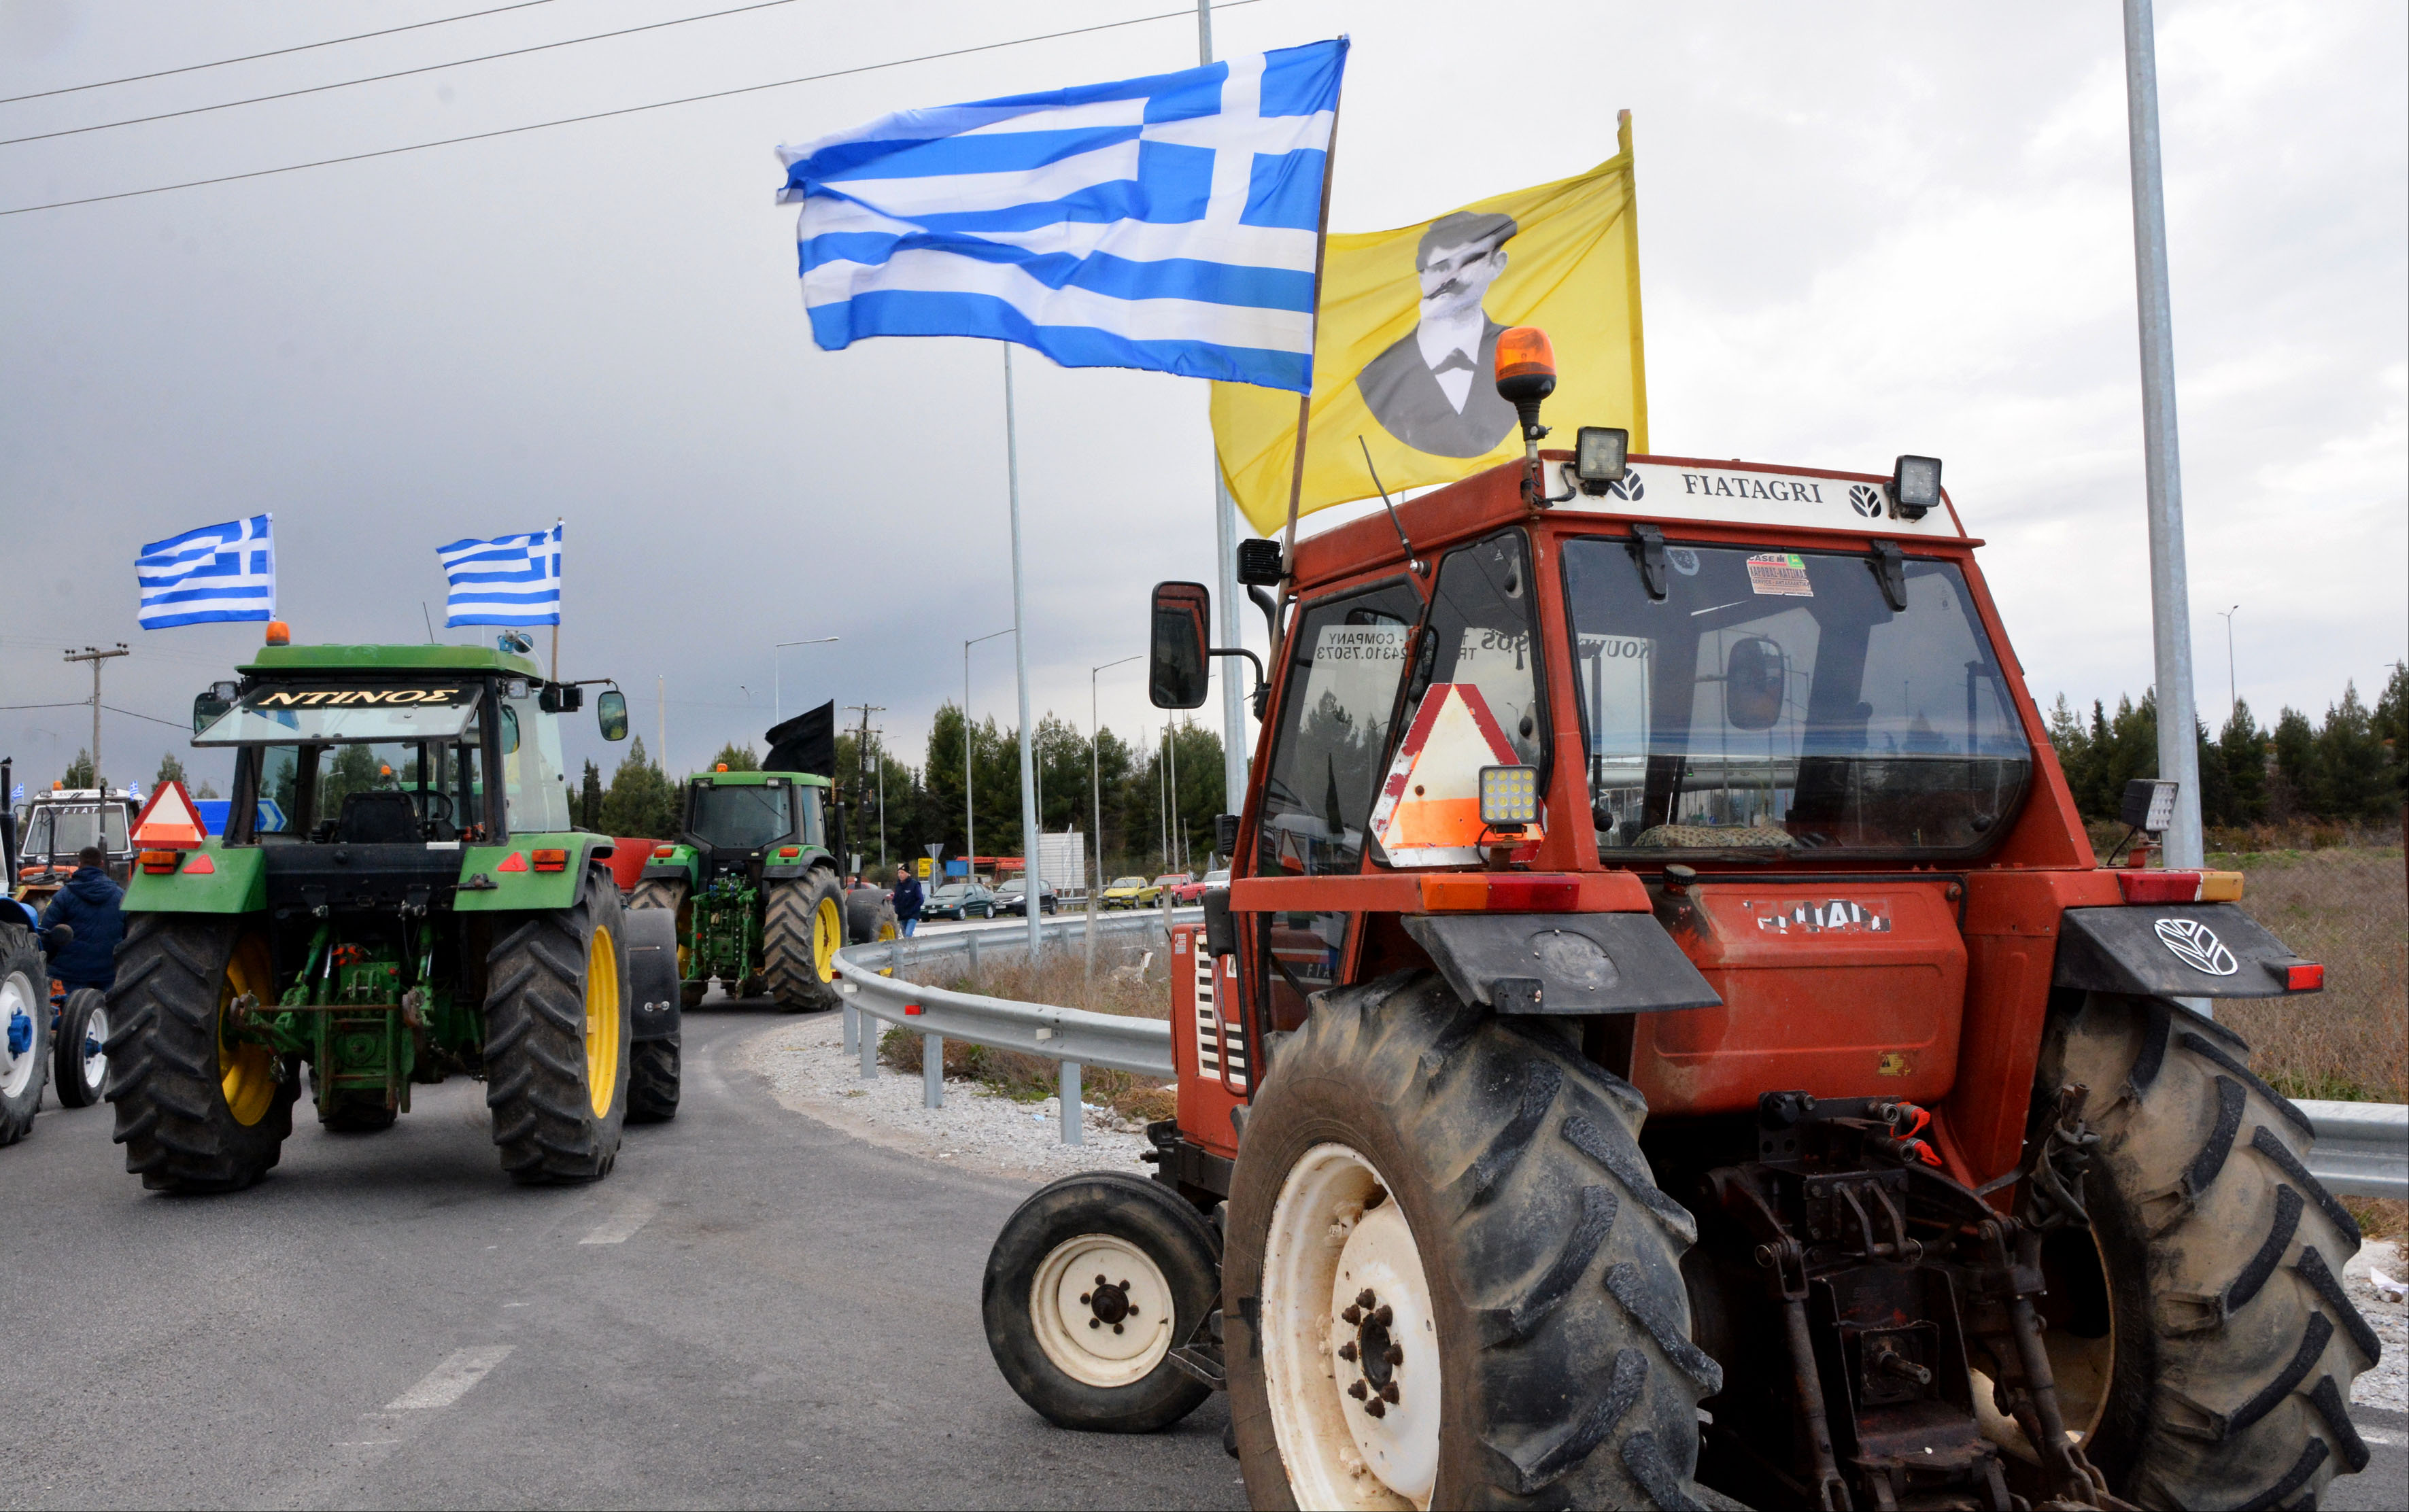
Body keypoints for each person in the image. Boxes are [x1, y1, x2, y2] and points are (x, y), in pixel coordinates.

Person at [1354, 210, 1522, 458]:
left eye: (1468, 263)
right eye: (1440, 267)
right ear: (1421, 275)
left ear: (1497, 265)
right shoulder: (1378, 375)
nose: (1451, 279)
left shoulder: (1523, 354)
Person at [41, 846, 124, 994]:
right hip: (109, 974)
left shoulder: (63, 896)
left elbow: (48, 934)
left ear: (79, 864)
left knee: (74, 1014)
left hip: (71, 976)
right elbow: (128, 935)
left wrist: (48, 962)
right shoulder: (120, 896)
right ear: (102, 864)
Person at [890, 865, 924, 938]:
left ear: (907, 874)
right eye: (899, 873)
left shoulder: (914, 884)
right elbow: (896, 899)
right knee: (905, 935)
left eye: (902, 873)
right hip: (902, 915)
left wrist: (914, 909)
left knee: (908, 934)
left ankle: (911, 947)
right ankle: (909, 948)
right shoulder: (898, 885)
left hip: (912, 915)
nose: (900, 875)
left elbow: (920, 899)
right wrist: (896, 908)